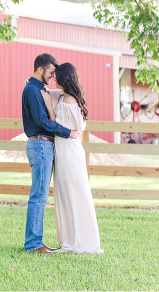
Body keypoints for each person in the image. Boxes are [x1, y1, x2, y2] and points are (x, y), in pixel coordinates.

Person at [41, 62, 104, 254]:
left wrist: (48, 105)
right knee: (68, 195)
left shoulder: (68, 100)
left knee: (72, 195)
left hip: (68, 152)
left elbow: (57, 126)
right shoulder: (66, 96)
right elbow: (51, 92)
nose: (54, 78)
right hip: (66, 151)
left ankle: (76, 242)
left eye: (56, 76)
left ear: (64, 78)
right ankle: (72, 239)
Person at [22, 53, 79, 254]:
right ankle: (33, 244)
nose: (53, 76)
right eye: (51, 72)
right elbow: (42, 122)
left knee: (40, 196)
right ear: (40, 69)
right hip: (40, 145)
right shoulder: (32, 90)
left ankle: (36, 242)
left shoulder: (36, 88)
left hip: (43, 145)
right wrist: (67, 132)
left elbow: (58, 94)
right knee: (39, 196)